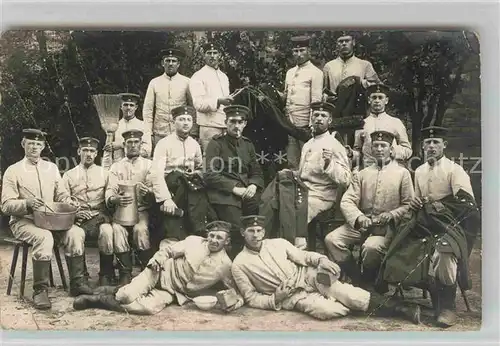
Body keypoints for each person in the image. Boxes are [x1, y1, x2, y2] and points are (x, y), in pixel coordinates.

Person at [231, 215, 420, 323]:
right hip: (293, 296)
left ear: (264, 231)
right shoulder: (239, 264)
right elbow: (250, 297)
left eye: (259, 230)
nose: (256, 235)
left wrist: (321, 259)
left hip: (310, 277)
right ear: (242, 233)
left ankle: (403, 308)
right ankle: (357, 300)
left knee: (350, 295)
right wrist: (274, 299)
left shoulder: (278, 243)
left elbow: (304, 256)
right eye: (251, 231)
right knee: (326, 311)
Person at [1, 129, 93, 310]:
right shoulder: (13, 171)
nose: (34, 147)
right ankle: (40, 290)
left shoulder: (50, 168)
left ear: (43, 146)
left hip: (51, 220)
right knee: (44, 237)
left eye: (38, 144)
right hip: (24, 221)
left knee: (76, 232)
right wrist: (27, 203)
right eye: (30, 143)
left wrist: (68, 200)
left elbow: (61, 193)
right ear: (23, 145)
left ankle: (77, 283)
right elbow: (5, 205)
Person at [72, 221, 244, 315]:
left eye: (219, 238)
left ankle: (104, 297)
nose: (213, 240)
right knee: (126, 296)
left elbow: (236, 291)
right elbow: (168, 250)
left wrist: (233, 305)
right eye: (211, 235)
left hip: (174, 292)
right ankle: (93, 299)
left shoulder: (226, 266)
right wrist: (157, 259)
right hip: (158, 272)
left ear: (226, 242)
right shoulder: (193, 242)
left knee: (146, 308)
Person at [404, 126, 478, 327]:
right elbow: (418, 200)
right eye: (427, 143)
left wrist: (441, 205)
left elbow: (468, 204)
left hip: (450, 225)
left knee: (444, 251)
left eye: (435, 142)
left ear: (444, 145)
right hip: (426, 224)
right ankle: (418, 296)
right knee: (398, 243)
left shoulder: (454, 170)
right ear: (422, 146)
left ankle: (447, 305)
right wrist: (415, 203)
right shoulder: (418, 171)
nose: (431, 146)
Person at [324, 130, 414, 289]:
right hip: (362, 225)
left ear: (391, 150)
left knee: (371, 248)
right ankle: (356, 277)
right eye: (376, 146)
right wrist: (358, 218)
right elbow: (347, 200)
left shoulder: (402, 173)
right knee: (332, 240)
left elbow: (409, 204)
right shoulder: (362, 174)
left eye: (383, 146)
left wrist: (392, 214)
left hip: (387, 229)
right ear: (371, 149)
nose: (379, 149)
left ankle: (371, 281)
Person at [261, 101, 351, 249]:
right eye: (316, 115)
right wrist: (291, 173)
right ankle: (270, 246)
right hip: (303, 188)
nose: (319, 119)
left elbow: (346, 179)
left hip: (321, 194)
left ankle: (296, 249)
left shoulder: (334, 145)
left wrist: (329, 164)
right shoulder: (309, 143)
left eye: (323, 115)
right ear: (311, 118)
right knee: (274, 202)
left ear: (330, 120)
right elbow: (305, 173)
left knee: (295, 212)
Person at [105, 129, 177, 285]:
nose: (132, 145)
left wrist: (149, 191)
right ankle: (125, 272)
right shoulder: (116, 167)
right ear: (124, 145)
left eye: (135, 142)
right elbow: (110, 188)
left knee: (141, 230)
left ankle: (146, 270)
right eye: (129, 143)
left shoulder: (150, 165)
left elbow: (158, 187)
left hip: (142, 210)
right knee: (117, 230)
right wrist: (113, 198)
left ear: (140, 144)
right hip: (122, 210)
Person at [203, 105, 264, 259]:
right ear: (226, 122)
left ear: (244, 124)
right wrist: (234, 188)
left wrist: (253, 184)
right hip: (224, 194)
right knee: (236, 229)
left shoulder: (247, 144)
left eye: (240, 122)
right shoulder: (216, 143)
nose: (236, 126)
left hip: (247, 192)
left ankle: (253, 262)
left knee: (257, 223)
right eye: (233, 121)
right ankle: (233, 264)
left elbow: (256, 171)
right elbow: (209, 174)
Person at [152, 105, 216, 240]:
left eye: (189, 119)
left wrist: (196, 173)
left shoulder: (194, 144)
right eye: (181, 119)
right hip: (171, 187)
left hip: (190, 186)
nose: (186, 123)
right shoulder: (164, 143)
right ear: (174, 122)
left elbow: (200, 167)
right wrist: (166, 199)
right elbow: (156, 173)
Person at [62, 137, 116, 286]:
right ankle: (79, 279)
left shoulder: (105, 173)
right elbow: (63, 198)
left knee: (107, 232)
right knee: (74, 235)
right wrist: (74, 212)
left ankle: (106, 275)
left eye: (92, 151)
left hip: (99, 216)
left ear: (96, 153)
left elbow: (109, 196)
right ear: (79, 151)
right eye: (85, 150)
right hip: (77, 218)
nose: (88, 154)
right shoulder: (68, 175)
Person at [280, 35, 323, 169]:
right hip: (290, 122)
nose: (298, 54)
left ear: (308, 51)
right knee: (292, 160)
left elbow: (316, 101)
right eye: (295, 51)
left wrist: (312, 125)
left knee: (307, 161)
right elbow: (287, 96)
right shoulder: (290, 72)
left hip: (305, 124)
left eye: (302, 50)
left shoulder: (316, 73)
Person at [351, 84, 412, 168]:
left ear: (386, 100)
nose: (377, 100)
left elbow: (407, 150)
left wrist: (393, 152)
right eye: (374, 97)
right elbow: (358, 150)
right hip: (368, 170)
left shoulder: (395, 122)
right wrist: (351, 154)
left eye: (380, 97)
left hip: (391, 169)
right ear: (369, 100)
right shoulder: (362, 124)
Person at [143, 48, 193, 150]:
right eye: (167, 61)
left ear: (178, 64)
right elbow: (148, 110)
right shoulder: (154, 82)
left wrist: (193, 132)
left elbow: (193, 108)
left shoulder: (187, 82)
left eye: (173, 61)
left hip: (181, 132)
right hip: (160, 133)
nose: (170, 64)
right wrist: (148, 134)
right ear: (162, 63)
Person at [189, 42, 233, 153]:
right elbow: (198, 104)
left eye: (215, 53)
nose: (212, 56)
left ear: (219, 56)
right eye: (209, 53)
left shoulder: (224, 76)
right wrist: (218, 101)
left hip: (225, 125)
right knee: (211, 160)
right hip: (209, 126)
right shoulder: (198, 76)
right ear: (204, 55)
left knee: (226, 160)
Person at [323, 31, 380, 98]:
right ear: (337, 45)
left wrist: (360, 83)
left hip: (356, 105)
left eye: (347, 41)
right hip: (335, 105)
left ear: (353, 43)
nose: (344, 44)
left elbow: (377, 86)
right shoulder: (329, 66)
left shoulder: (365, 65)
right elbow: (324, 90)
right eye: (341, 41)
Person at [103, 93, 152, 162]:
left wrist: (121, 145)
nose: (128, 108)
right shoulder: (114, 126)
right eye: (125, 105)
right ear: (121, 106)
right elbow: (108, 149)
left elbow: (147, 151)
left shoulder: (143, 125)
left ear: (136, 107)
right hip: (118, 167)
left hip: (137, 166)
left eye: (131, 105)